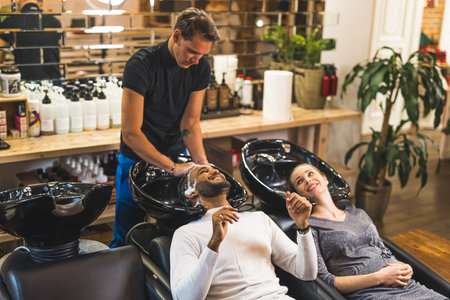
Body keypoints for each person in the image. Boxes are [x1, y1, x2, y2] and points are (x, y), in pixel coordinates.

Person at [110, 8, 221, 248]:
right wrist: (172, 168)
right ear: (177, 36)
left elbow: (189, 123)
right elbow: (130, 132)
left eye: (203, 54)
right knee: (126, 236)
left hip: (176, 158)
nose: (196, 60)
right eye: (193, 51)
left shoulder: (200, 67)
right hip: (136, 160)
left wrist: (202, 163)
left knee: (178, 236)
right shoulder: (142, 64)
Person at [289, 163, 446, 300]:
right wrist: (378, 278)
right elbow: (326, 281)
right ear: (300, 193)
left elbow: (382, 250)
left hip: (406, 286)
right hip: (371, 293)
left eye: (310, 174)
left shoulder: (358, 213)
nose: (308, 180)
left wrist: (403, 266)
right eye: (300, 181)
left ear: (324, 178)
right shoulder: (310, 226)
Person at [170, 165, 318, 300]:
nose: (215, 170)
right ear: (191, 193)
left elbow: (307, 272)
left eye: (216, 170)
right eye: (204, 171)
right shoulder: (186, 234)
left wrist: (302, 226)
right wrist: (213, 244)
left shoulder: (258, 218)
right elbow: (185, 297)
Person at [0, 0, 61, 80]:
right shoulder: (55, 22)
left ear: (20, 1)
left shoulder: (9, 22)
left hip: (25, 82)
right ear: (41, 2)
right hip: (53, 80)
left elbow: (0, 56)